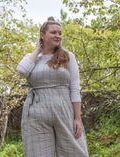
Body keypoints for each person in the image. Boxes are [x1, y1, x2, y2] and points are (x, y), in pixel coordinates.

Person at [17, 16, 89, 157]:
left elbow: (74, 88)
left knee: (75, 152)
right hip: (36, 114)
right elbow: (22, 71)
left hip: (64, 110)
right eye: (53, 32)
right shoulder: (32, 58)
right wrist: (38, 49)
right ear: (42, 35)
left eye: (60, 33)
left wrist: (77, 118)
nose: (58, 36)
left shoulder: (67, 56)